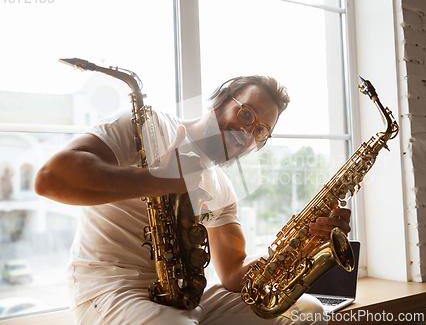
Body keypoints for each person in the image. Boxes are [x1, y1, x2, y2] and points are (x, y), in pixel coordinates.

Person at [35, 75, 351, 325]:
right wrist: (161, 179)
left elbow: (232, 274)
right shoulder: (148, 125)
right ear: (222, 99)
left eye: (260, 132)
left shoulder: (222, 190)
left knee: (307, 311)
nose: (247, 132)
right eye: (246, 113)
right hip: (111, 291)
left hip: (183, 296)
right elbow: (50, 178)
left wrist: (301, 243)